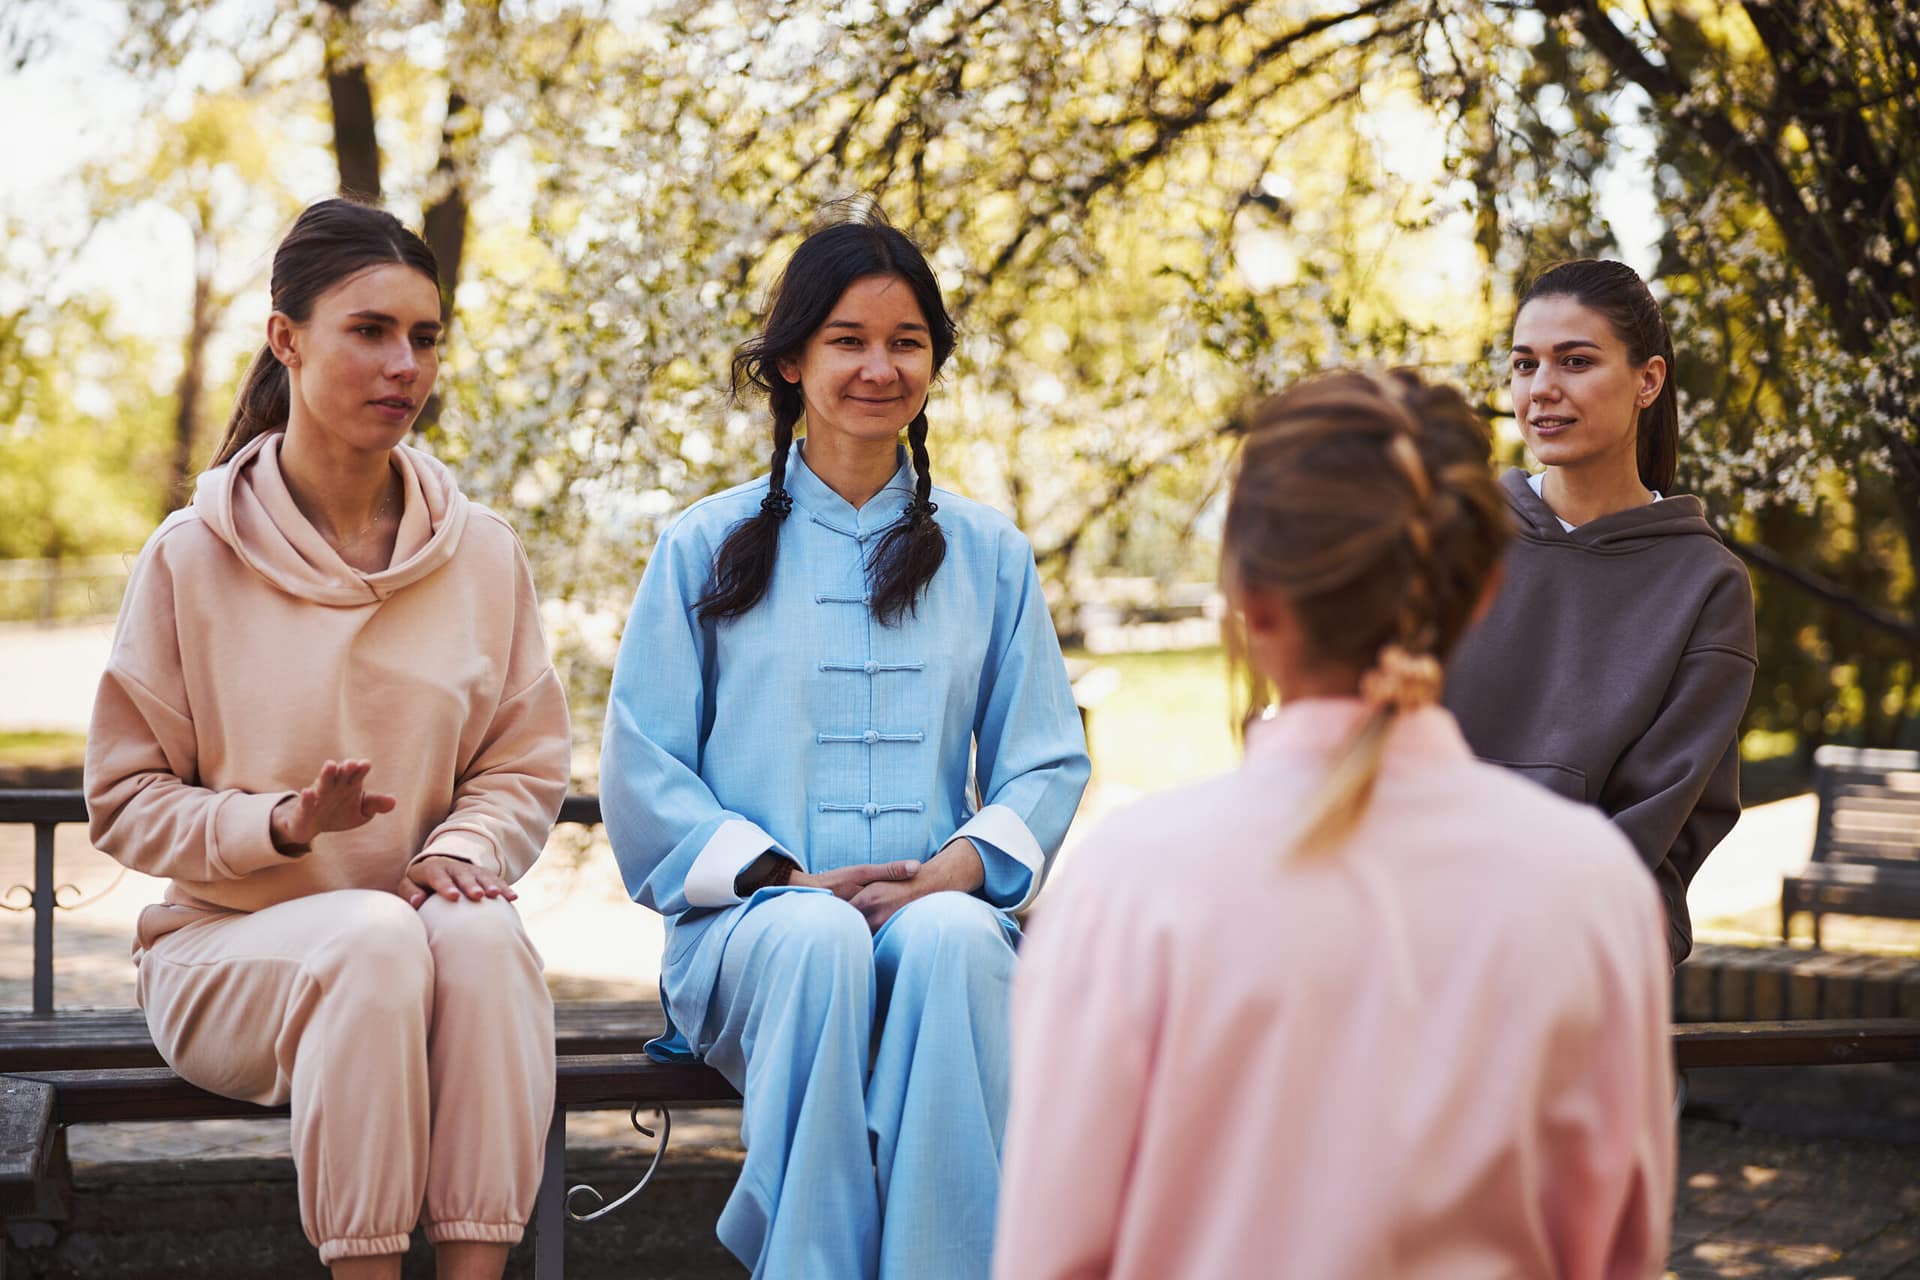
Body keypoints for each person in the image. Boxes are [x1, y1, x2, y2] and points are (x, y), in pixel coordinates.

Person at [995, 370, 1675, 1279]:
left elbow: (1053, 1251)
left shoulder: (1131, 881)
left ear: (1252, 601)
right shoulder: (1592, 885)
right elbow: (1614, 1249)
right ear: (1478, 596)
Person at [84, 198, 570, 1280]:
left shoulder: (482, 554)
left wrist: (465, 850)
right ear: (285, 337)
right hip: (230, 953)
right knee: (371, 935)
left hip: (418, 947)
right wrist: (283, 821)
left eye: (426, 337)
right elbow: (123, 801)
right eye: (371, 330)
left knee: (485, 939)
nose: (405, 363)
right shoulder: (188, 558)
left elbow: (521, 763)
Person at [600, 207, 1091, 1280]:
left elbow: (1044, 758)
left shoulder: (990, 553)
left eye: (907, 341)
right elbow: (643, 767)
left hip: (936, 923)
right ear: (788, 363)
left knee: (959, 941)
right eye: (847, 340)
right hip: (753, 934)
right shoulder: (701, 545)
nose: (881, 366)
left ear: (934, 361)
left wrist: (955, 872)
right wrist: (787, 878)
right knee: (818, 939)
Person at [1444, 259, 1758, 966]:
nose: (1542, 389)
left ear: (1648, 380)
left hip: (1589, 949)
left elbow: (1653, 822)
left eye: (1575, 361)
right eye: (1525, 365)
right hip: (1421, 933)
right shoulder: (1452, 539)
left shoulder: (1705, 584)